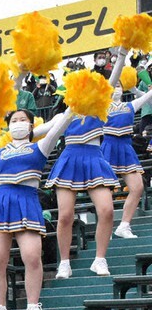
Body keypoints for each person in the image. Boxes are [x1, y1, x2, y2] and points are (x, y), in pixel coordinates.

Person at [0, 108, 75, 310]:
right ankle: (0, 307)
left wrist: (74, 104)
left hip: (27, 201)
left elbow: (61, 123)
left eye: (23, 120)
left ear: (32, 125)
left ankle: (32, 305)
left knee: (32, 257)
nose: (18, 123)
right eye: (14, 120)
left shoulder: (40, 146)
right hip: (1, 202)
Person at [46, 111, 117, 278]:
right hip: (69, 159)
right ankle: (64, 263)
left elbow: (109, 84)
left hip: (94, 158)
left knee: (107, 210)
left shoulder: (100, 110)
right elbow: (44, 131)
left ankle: (99, 259)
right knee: (65, 215)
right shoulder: (65, 115)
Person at [103, 80, 152, 239]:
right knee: (105, 191)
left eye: (119, 86)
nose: (116, 89)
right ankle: (105, 229)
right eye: (113, 85)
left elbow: (148, 98)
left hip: (125, 147)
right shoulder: (100, 107)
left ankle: (124, 225)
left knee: (138, 187)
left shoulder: (131, 105)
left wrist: (134, 87)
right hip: (107, 146)